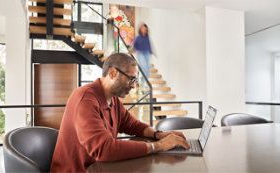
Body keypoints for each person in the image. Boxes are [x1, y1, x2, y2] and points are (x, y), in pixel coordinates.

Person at [50, 53, 189, 172]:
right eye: (131, 79)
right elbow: (103, 149)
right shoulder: (85, 99)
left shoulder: (112, 99)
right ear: (112, 73)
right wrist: (157, 146)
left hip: (99, 168)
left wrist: (158, 134)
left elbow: (130, 124)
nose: (133, 85)